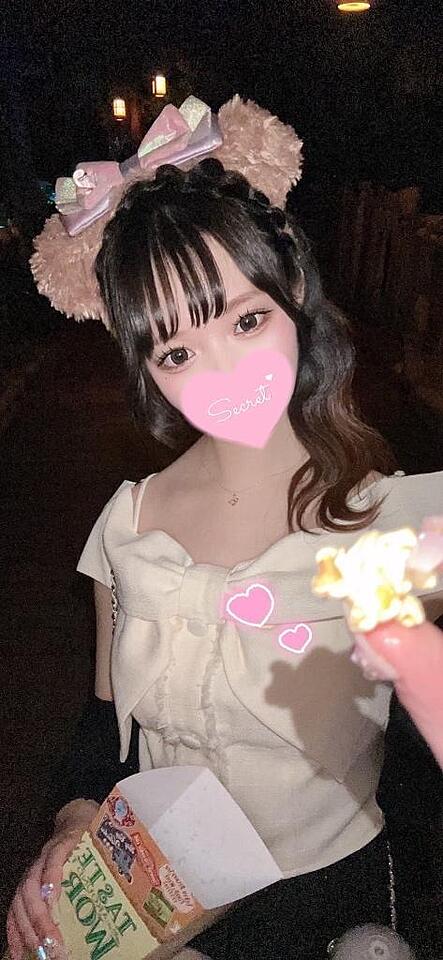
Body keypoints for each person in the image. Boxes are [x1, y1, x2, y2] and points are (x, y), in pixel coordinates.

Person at [7, 130, 443, 960]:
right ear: (143, 365)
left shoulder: (383, 519)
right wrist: (72, 823)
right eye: (177, 351)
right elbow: (102, 725)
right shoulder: (129, 522)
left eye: (247, 320)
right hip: (160, 888)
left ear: (294, 291)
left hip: (328, 896)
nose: (225, 375)